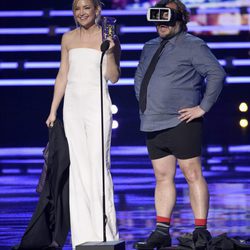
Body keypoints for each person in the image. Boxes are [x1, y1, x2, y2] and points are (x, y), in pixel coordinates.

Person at [134, 0, 226, 249]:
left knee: (192, 173)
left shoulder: (193, 45)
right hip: (153, 121)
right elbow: (140, 77)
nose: (161, 23)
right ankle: (162, 230)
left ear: (180, 18)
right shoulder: (149, 46)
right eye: (158, 17)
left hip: (181, 121)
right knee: (162, 177)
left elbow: (216, 73)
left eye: (167, 17)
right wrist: (145, 106)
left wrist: (202, 108)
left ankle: (200, 230)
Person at [46, 0, 121, 249]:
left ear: (96, 10)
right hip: (73, 108)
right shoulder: (67, 38)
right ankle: (83, 237)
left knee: (99, 167)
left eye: (86, 8)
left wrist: (109, 51)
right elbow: (63, 73)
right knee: (78, 170)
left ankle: (106, 234)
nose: (81, 13)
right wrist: (54, 109)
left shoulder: (109, 37)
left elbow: (114, 77)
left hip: (97, 105)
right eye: (77, 9)